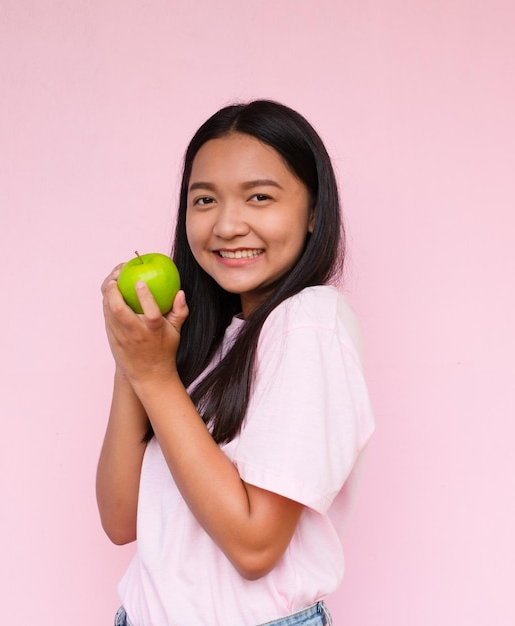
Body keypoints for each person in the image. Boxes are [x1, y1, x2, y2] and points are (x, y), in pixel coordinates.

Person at [97, 100, 375, 626]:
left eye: (260, 197)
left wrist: (154, 375)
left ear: (314, 211)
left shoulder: (309, 322)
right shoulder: (214, 343)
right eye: (205, 199)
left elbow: (254, 547)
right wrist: (131, 361)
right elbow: (119, 520)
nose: (227, 225)